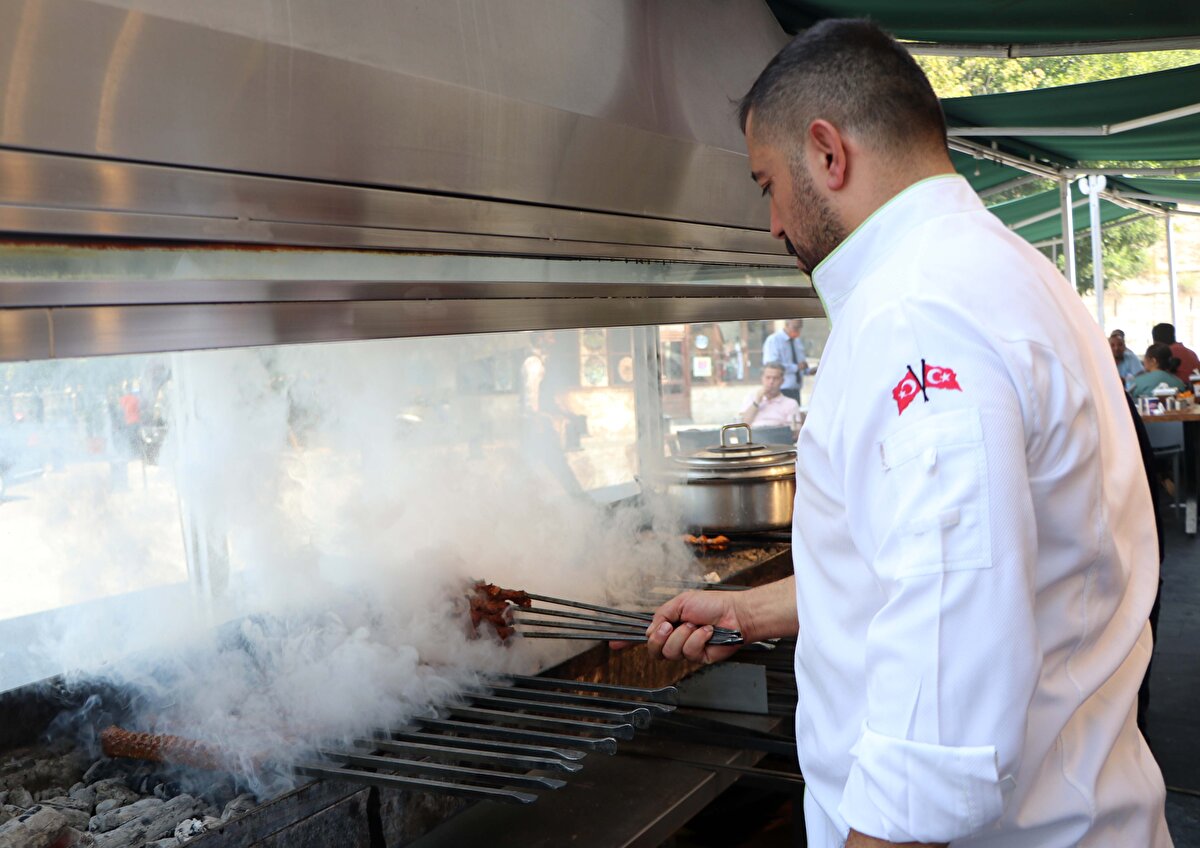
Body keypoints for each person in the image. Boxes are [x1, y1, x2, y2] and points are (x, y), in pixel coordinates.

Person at [631, 20, 1169, 848]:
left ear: (826, 152)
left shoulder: (915, 312)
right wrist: (760, 608)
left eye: (766, 182)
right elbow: (972, 563)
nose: (772, 222)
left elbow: (941, 695)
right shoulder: (1000, 267)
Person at [762, 318, 813, 402]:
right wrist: (796, 367)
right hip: (780, 390)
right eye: (795, 327)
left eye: (800, 328)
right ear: (786, 325)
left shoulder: (797, 342)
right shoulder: (774, 340)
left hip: (795, 390)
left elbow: (801, 365)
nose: (798, 330)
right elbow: (771, 366)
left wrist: (809, 370)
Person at [739, 361, 801, 430]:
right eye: (768, 378)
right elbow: (742, 425)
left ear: (782, 381)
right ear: (762, 379)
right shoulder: (751, 398)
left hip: (778, 438)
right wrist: (756, 402)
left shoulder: (791, 403)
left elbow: (795, 432)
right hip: (753, 437)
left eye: (775, 378)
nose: (771, 382)